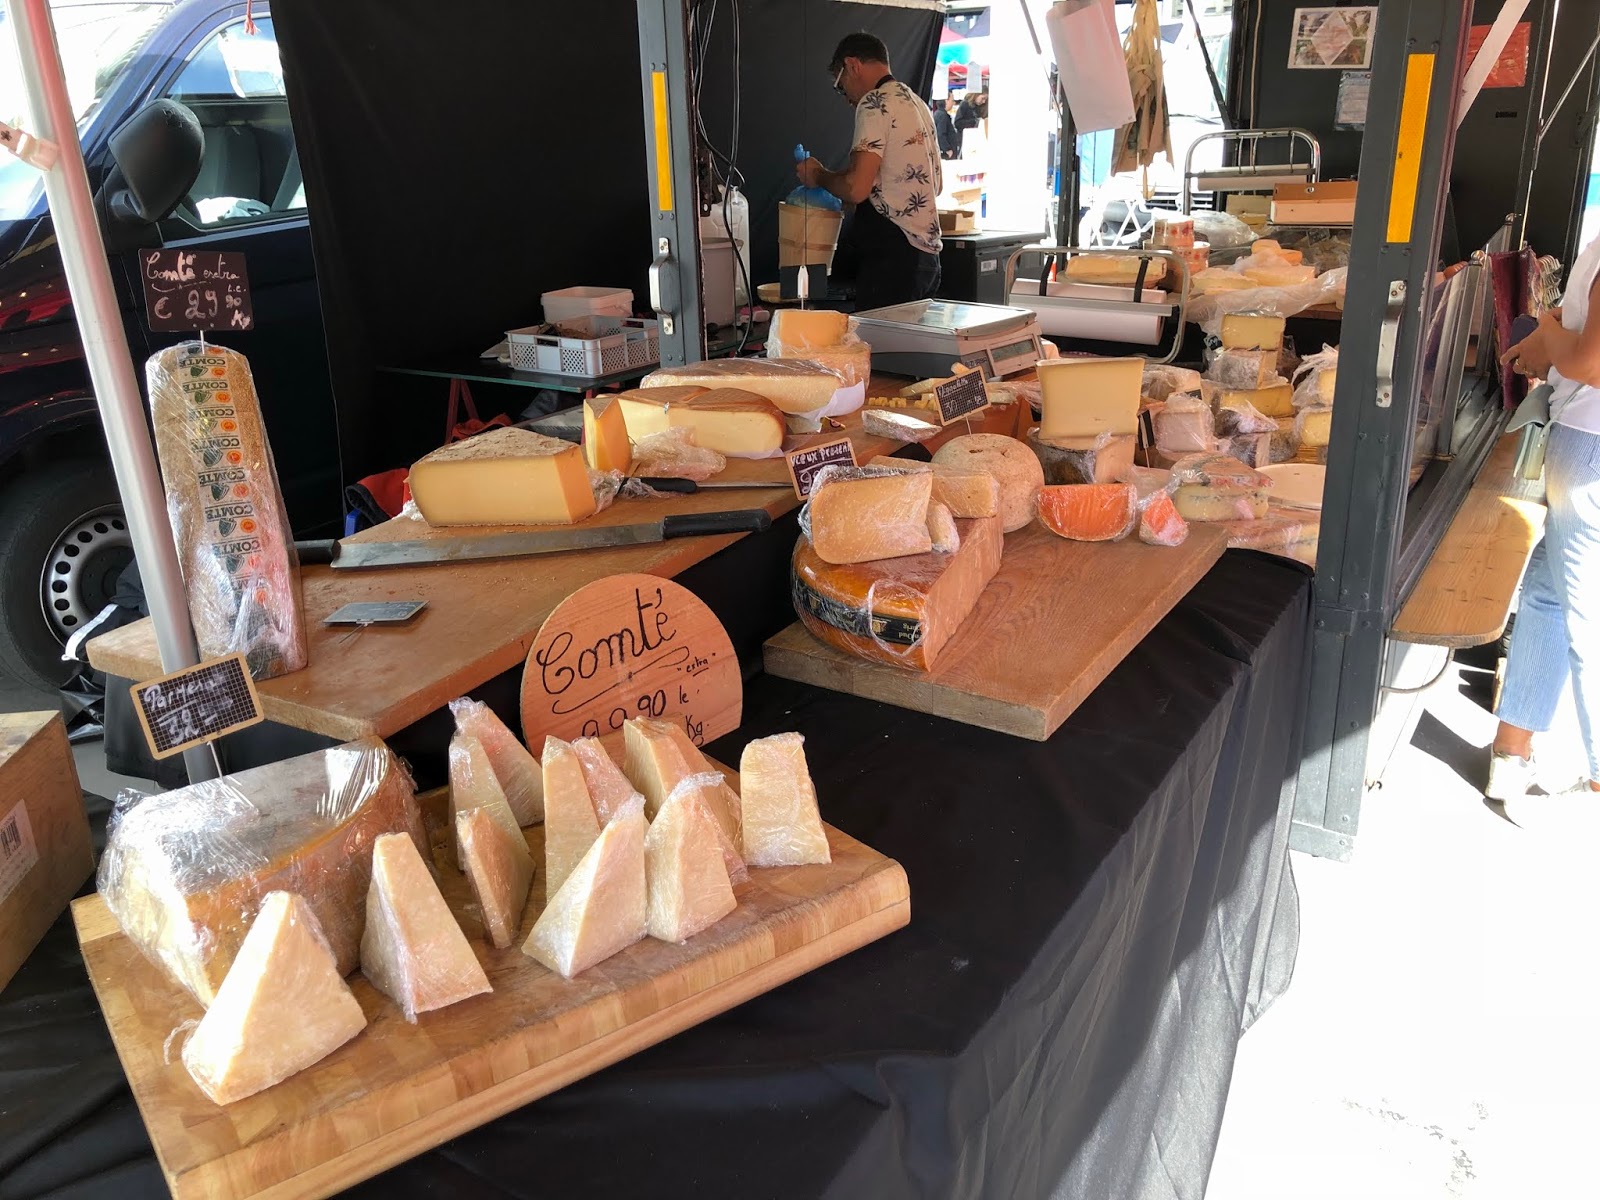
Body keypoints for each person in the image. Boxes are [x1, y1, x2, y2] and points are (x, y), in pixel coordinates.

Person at [1488, 236, 1600, 811]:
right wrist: (1554, 330)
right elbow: (1575, 320)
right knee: (1550, 594)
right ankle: (1511, 753)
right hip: (1582, 437)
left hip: (1591, 444)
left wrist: (1549, 340)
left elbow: (1590, 362)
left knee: (1585, 616)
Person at [797, 32, 943, 311]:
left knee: (879, 340)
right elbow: (934, 185)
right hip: (927, 258)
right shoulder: (917, 103)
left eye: (841, 87)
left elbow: (856, 188)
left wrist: (819, 175)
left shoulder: (874, 103)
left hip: (893, 259)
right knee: (912, 340)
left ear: (852, 65)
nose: (846, 98)